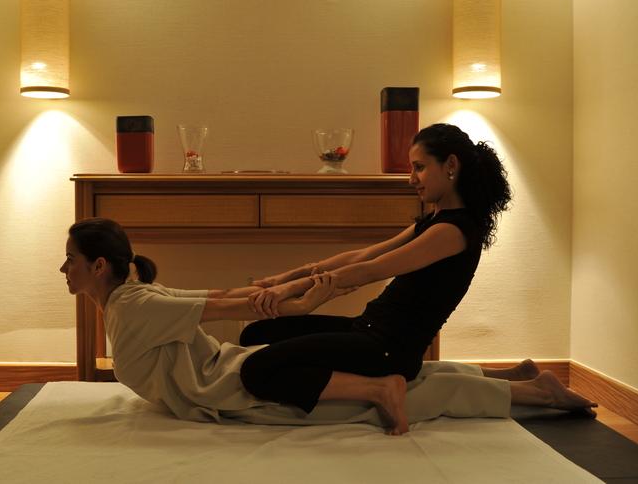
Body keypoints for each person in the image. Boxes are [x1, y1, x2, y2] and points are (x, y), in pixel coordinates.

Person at [59, 217, 596, 434]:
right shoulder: (136, 297)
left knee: (395, 388)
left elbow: (225, 302)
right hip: (251, 364)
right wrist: (290, 288)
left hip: (243, 384)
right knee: (263, 343)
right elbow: (223, 298)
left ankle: (533, 394)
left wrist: (293, 295)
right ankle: (510, 378)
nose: (64, 269)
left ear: (99, 266)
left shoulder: (133, 306)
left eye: (70, 260)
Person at [238, 123, 513, 434]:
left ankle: (380, 389)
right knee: (256, 334)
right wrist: (287, 277)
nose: (412, 179)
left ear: (450, 165)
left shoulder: (453, 231)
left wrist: (293, 289)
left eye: (419, 167)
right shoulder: (435, 221)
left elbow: (373, 269)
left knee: (256, 371)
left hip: (388, 351)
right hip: (366, 329)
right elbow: (363, 255)